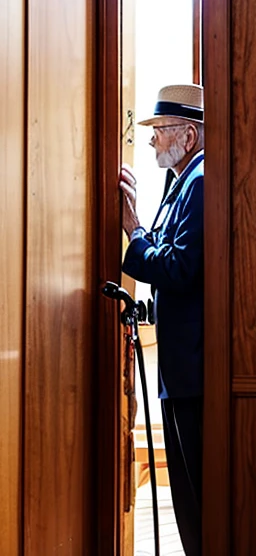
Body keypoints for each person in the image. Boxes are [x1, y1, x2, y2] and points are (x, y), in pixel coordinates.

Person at [120, 83, 204, 556]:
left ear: (187, 136)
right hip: (182, 370)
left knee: (194, 496)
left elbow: (178, 267)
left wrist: (134, 231)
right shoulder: (184, 182)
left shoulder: (199, 180)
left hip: (193, 372)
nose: (152, 140)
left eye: (160, 130)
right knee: (187, 497)